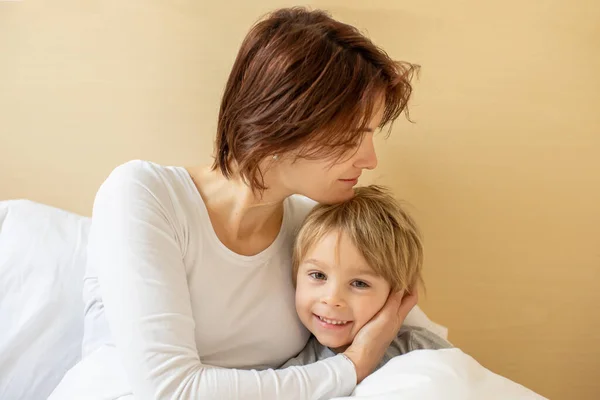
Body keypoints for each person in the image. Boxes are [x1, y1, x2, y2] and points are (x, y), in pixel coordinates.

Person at [50, 7, 424, 400]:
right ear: (287, 120)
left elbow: (406, 328)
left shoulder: (313, 230)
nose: (370, 160)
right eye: (355, 135)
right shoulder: (145, 196)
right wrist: (351, 367)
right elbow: (170, 390)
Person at [281, 185, 451, 371]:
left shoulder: (420, 349)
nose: (332, 299)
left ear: (397, 294)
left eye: (359, 283)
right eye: (318, 275)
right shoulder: (299, 374)